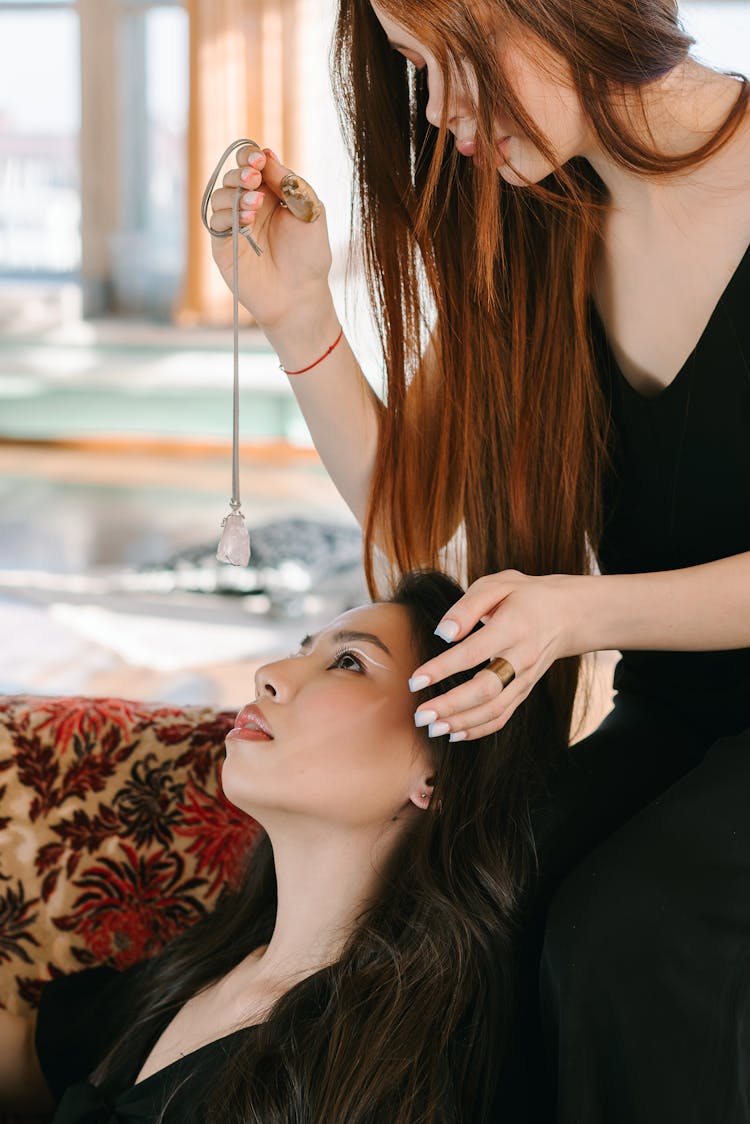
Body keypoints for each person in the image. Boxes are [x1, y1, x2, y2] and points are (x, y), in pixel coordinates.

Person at [206, 1, 750, 1120]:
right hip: (683, 714)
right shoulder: (546, 219)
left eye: (446, 62)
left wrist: (574, 615)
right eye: (412, 72)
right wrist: (296, 308)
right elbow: (418, 514)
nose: (440, 112)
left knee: (634, 934)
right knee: (451, 904)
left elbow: (573, 613)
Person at [0, 569, 555, 1122]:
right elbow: (36, 1062)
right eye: (300, 649)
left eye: (348, 663)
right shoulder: (202, 961)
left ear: (439, 780)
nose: (269, 674)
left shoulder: (398, 1068)